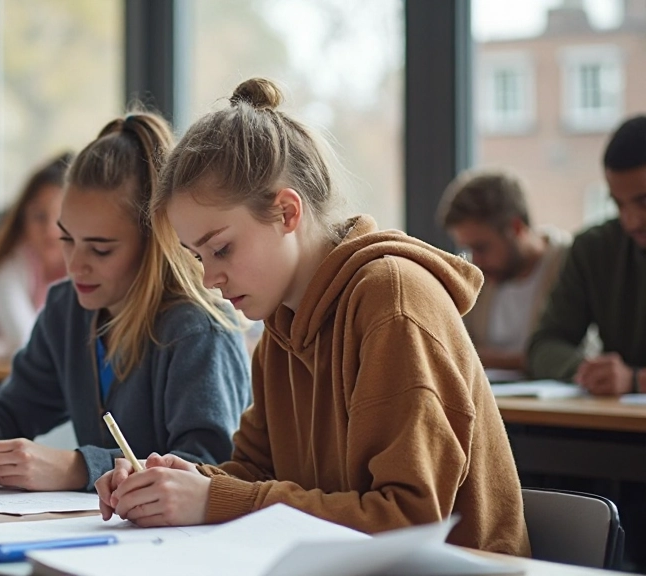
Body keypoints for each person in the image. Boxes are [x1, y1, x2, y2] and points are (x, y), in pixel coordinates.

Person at [95, 78, 529, 556]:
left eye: (221, 248)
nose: (208, 279)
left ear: (286, 212)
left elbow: (407, 521)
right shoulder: (281, 323)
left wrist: (215, 499)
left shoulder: (393, 303)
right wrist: (177, 483)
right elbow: (257, 475)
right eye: (198, 257)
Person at [0, 111, 251, 492]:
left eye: (100, 250)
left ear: (155, 246)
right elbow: (16, 408)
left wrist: (78, 468)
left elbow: (210, 466)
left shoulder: (198, 329)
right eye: (66, 239)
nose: (75, 265)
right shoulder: (66, 307)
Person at [528, 115, 646, 395]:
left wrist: (635, 380)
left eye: (644, 203)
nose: (631, 221)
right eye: (618, 204)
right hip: (614, 430)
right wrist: (591, 371)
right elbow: (544, 345)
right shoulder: (593, 248)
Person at [437, 170, 570, 374]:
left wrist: (487, 357)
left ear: (516, 227)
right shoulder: (480, 276)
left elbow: (571, 354)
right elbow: (452, 348)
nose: (476, 261)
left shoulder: (569, 263)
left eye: (481, 248)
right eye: (468, 250)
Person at [0, 153, 70, 358]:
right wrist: (8, 346)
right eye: (39, 217)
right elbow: (26, 341)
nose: (50, 230)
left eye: (62, 218)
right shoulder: (8, 267)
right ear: (22, 220)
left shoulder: (75, 271)